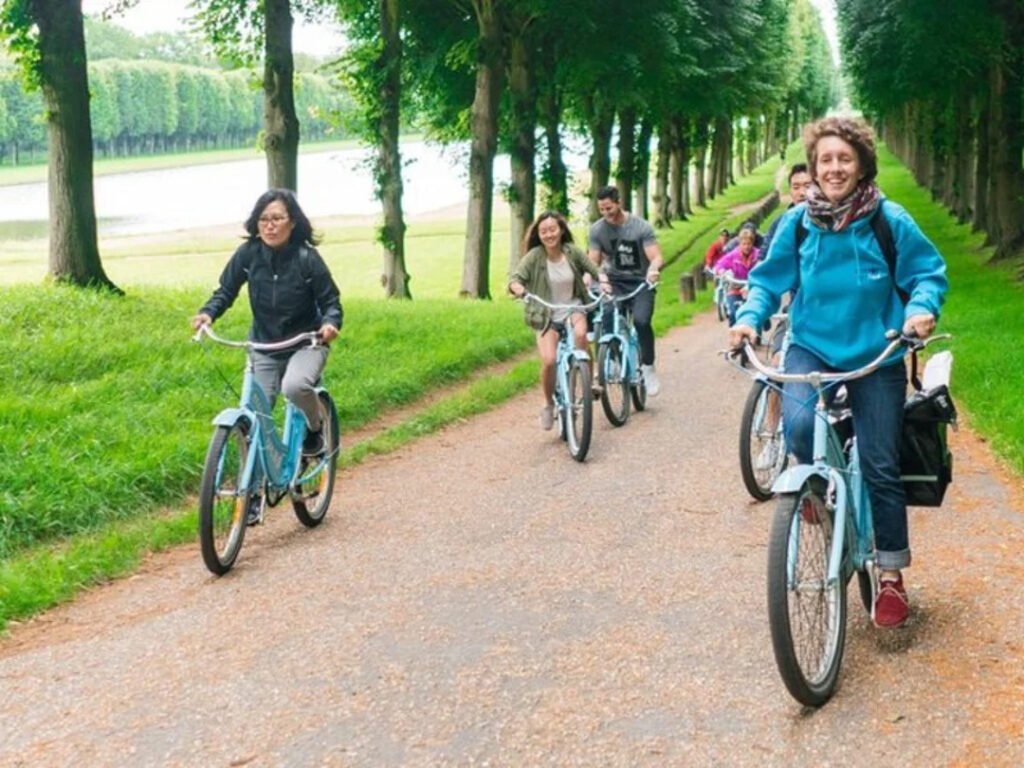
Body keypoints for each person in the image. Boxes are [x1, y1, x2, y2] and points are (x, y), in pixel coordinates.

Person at [728, 115, 948, 629]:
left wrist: (920, 309)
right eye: (825, 159)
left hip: (877, 352)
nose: (833, 168)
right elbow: (768, 281)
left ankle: (890, 574)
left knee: (879, 463)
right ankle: (815, 490)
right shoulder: (798, 223)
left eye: (844, 159)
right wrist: (748, 319)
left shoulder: (888, 219)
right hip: (812, 347)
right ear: (813, 166)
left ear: (862, 165)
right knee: (798, 427)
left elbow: (927, 274)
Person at [191, 188, 343, 524]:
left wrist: (330, 324)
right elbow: (225, 291)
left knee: (295, 387)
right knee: (255, 414)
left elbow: (331, 301)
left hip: (306, 343)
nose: (269, 225)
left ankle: (315, 429)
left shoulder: (307, 258)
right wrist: (208, 313)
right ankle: (253, 493)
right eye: (263, 219)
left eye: (277, 218)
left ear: (292, 222)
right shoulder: (248, 255)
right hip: (263, 346)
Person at [509, 211, 601, 431]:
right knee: (550, 360)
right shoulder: (534, 256)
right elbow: (515, 279)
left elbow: (593, 268)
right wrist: (519, 289)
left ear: (560, 230)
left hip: (573, 307)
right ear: (538, 234)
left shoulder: (572, 251)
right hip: (546, 313)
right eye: (544, 231)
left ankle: (588, 383)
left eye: (552, 229)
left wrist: (604, 280)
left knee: (581, 336)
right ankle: (548, 403)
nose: (549, 234)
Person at [587, 185, 664, 396]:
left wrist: (653, 270)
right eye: (602, 209)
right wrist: (596, 277)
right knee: (607, 315)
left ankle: (648, 367)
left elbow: (656, 257)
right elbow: (592, 262)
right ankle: (611, 361)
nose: (606, 213)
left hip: (641, 282)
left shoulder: (640, 227)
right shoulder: (597, 230)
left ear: (619, 202)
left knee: (641, 321)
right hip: (614, 283)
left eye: (609, 208)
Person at [761, 163, 812, 257]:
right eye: (796, 188)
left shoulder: (827, 222)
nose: (802, 193)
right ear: (790, 191)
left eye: (807, 186)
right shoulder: (779, 224)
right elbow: (764, 257)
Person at [714, 227, 761, 326]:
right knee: (733, 313)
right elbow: (719, 265)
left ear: (752, 243)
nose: (746, 247)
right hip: (736, 288)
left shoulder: (758, 254)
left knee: (758, 312)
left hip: (753, 287)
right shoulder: (733, 256)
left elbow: (765, 264)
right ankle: (734, 331)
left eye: (749, 244)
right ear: (739, 244)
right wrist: (723, 272)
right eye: (744, 244)